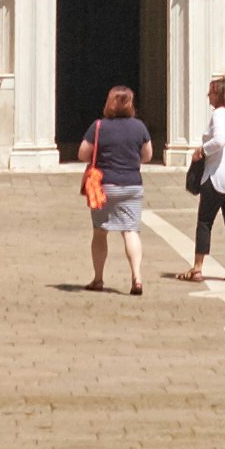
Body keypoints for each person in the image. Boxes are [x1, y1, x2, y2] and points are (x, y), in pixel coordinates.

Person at [175, 78, 225, 284]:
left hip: (218, 176)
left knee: (204, 222)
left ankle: (198, 268)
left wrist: (202, 150)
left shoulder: (219, 114)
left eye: (211, 92)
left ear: (219, 95)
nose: (208, 96)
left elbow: (219, 140)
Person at [80, 87, 152, 294]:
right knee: (130, 231)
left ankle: (99, 279)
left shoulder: (98, 126)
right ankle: (137, 278)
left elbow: (83, 154)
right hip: (132, 185)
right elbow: (147, 155)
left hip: (105, 186)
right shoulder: (139, 127)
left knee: (100, 233)